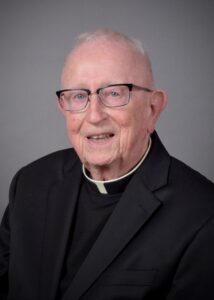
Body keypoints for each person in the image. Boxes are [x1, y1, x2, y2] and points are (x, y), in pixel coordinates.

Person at [0, 29, 214, 300]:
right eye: (78, 96)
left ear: (153, 108)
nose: (94, 115)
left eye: (114, 93)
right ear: (63, 107)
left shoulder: (203, 217)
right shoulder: (30, 184)